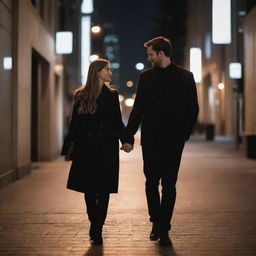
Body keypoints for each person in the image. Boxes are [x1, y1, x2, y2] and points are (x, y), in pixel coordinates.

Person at [121, 36, 199, 246]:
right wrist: (128, 136)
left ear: (161, 53)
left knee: (170, 184)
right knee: (151, 182)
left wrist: (184, 133)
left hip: (174, 139)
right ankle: (156, 220)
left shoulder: (185, 77)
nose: (148, 58)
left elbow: (193, 108)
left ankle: (164, 225)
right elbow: (138, 109)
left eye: (150, 54)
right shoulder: (146, 77)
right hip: (152, 139)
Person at [61, 59, 125, 245]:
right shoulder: (81, 95)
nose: (110, 72)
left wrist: (126, 140)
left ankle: (97, 228)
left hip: (106, 147)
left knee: (104, 189)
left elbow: (117, 122)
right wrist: (68, 148)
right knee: (89, 189)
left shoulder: (112, 95)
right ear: (97, 72)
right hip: (86, 148)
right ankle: (94, 220)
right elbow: (74, 124)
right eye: (107, 69)